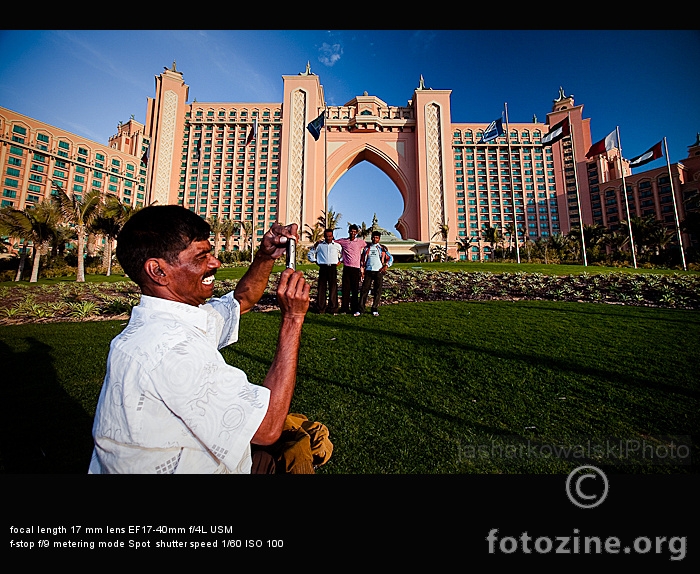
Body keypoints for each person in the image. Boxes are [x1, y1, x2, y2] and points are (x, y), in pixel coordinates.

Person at [88, 205, 310, 474]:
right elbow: (266, 428)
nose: (216, 262)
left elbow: (242, 300)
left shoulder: (169, 321)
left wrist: (265, 256)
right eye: (201, 256)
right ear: (157, 271)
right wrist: (292, 319)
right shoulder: (174, 350)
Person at [356, 230, 393, 317]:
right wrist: (362, 270)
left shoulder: (382, 249)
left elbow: (390, 258)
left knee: (377, 291)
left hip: (378, 271)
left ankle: (374, 309)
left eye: (376, 237)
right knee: (364, 290)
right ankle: (361, 309)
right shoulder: (366, 248)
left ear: (379, 239)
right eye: (373, 237)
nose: (374, 239)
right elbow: (362, 260)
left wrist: (386, 266)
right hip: (368, 271)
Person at [308, 228, 342, 314]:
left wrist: (340, 261)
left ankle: (333, 308)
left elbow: (343, 254)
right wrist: (315, 260)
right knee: (321, 288)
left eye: (330, 236)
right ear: (324, 236)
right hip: (323, 267)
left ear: (332, 236)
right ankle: (320, 308)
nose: (328, 238)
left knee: (333, 288)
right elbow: (310, 253)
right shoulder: (319, 245)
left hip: (332, 268)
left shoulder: (337, 246)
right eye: (326, 236)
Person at [335, 224, 366, 315]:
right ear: (349, 231)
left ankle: (355, 309)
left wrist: (383, 248)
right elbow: (332, 242)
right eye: (351, 231)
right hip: (347, 268)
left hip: (356, 269)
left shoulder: (360, 242)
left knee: (355, 289)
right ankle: (344, 309)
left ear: (356, 233)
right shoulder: (344, 241)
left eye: (354, 231)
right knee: (346, 289)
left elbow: (369, 246)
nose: (353, 233)